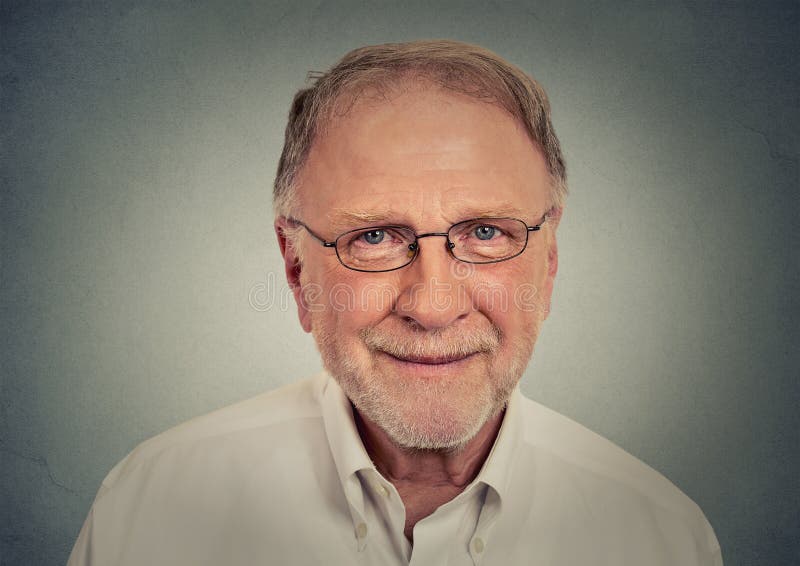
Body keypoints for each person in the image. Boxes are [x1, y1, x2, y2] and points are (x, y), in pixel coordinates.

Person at [68, 40, 722, 565]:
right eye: (374, 237)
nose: (433, 305)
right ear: (296, 270)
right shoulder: (150, 512)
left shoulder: (661, 540)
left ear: (548, 265)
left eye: (486, 233)